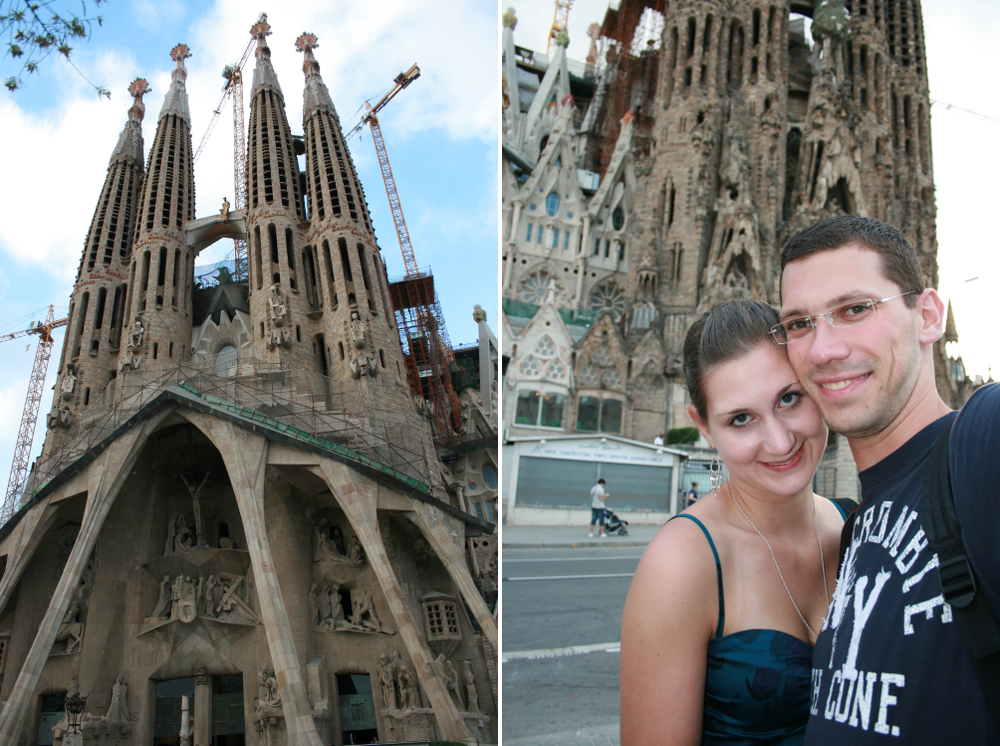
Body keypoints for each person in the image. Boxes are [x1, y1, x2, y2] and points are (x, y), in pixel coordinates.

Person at [777, 215, 1000, 744]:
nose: (823, 350)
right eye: (799, 324)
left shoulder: (980, 446)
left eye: (855, 309)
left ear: (926, 315)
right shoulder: (855, 530)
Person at [620, 299, 847, 745]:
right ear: (703, 427)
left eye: (789, 398)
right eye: (741, 419)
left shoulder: (857, 527)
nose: (780, 441)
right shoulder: (682, 562)